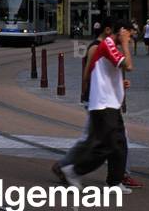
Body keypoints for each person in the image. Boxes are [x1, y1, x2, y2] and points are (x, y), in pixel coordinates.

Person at [53, 20, 133, 193]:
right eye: (129, 34)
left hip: (111, 102)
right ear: (120, 31)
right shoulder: (107, 44)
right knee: (104, 144)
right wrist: (88, 94)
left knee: (119, 142)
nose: (130, 38)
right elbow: (128, 65)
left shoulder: (109, 47)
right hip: (102, 103)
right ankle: (72, 170)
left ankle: (115, 181)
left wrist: (120, 82)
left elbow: (101, 71)